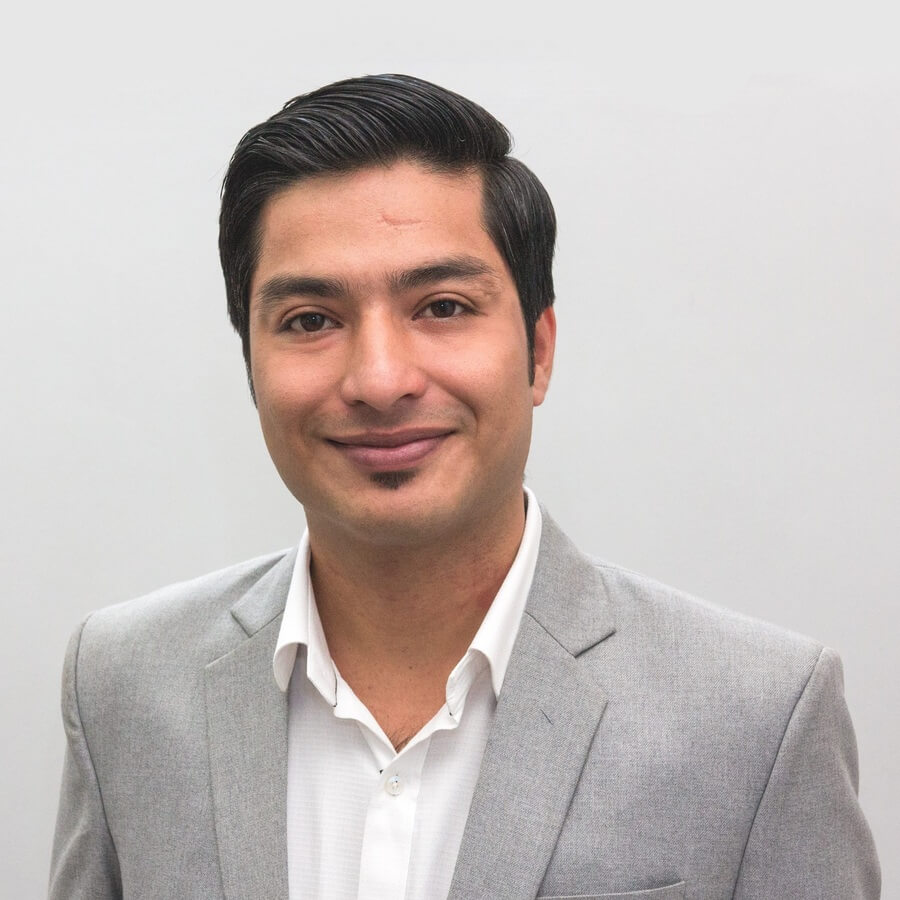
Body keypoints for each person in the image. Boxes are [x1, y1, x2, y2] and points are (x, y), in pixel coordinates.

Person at [49, 74, 880, 900]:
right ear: (251, 367)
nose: (380, 380)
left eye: (442, 307)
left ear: (539, 351)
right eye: (310, 321)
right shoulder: (123, 683)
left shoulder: (759, 717)